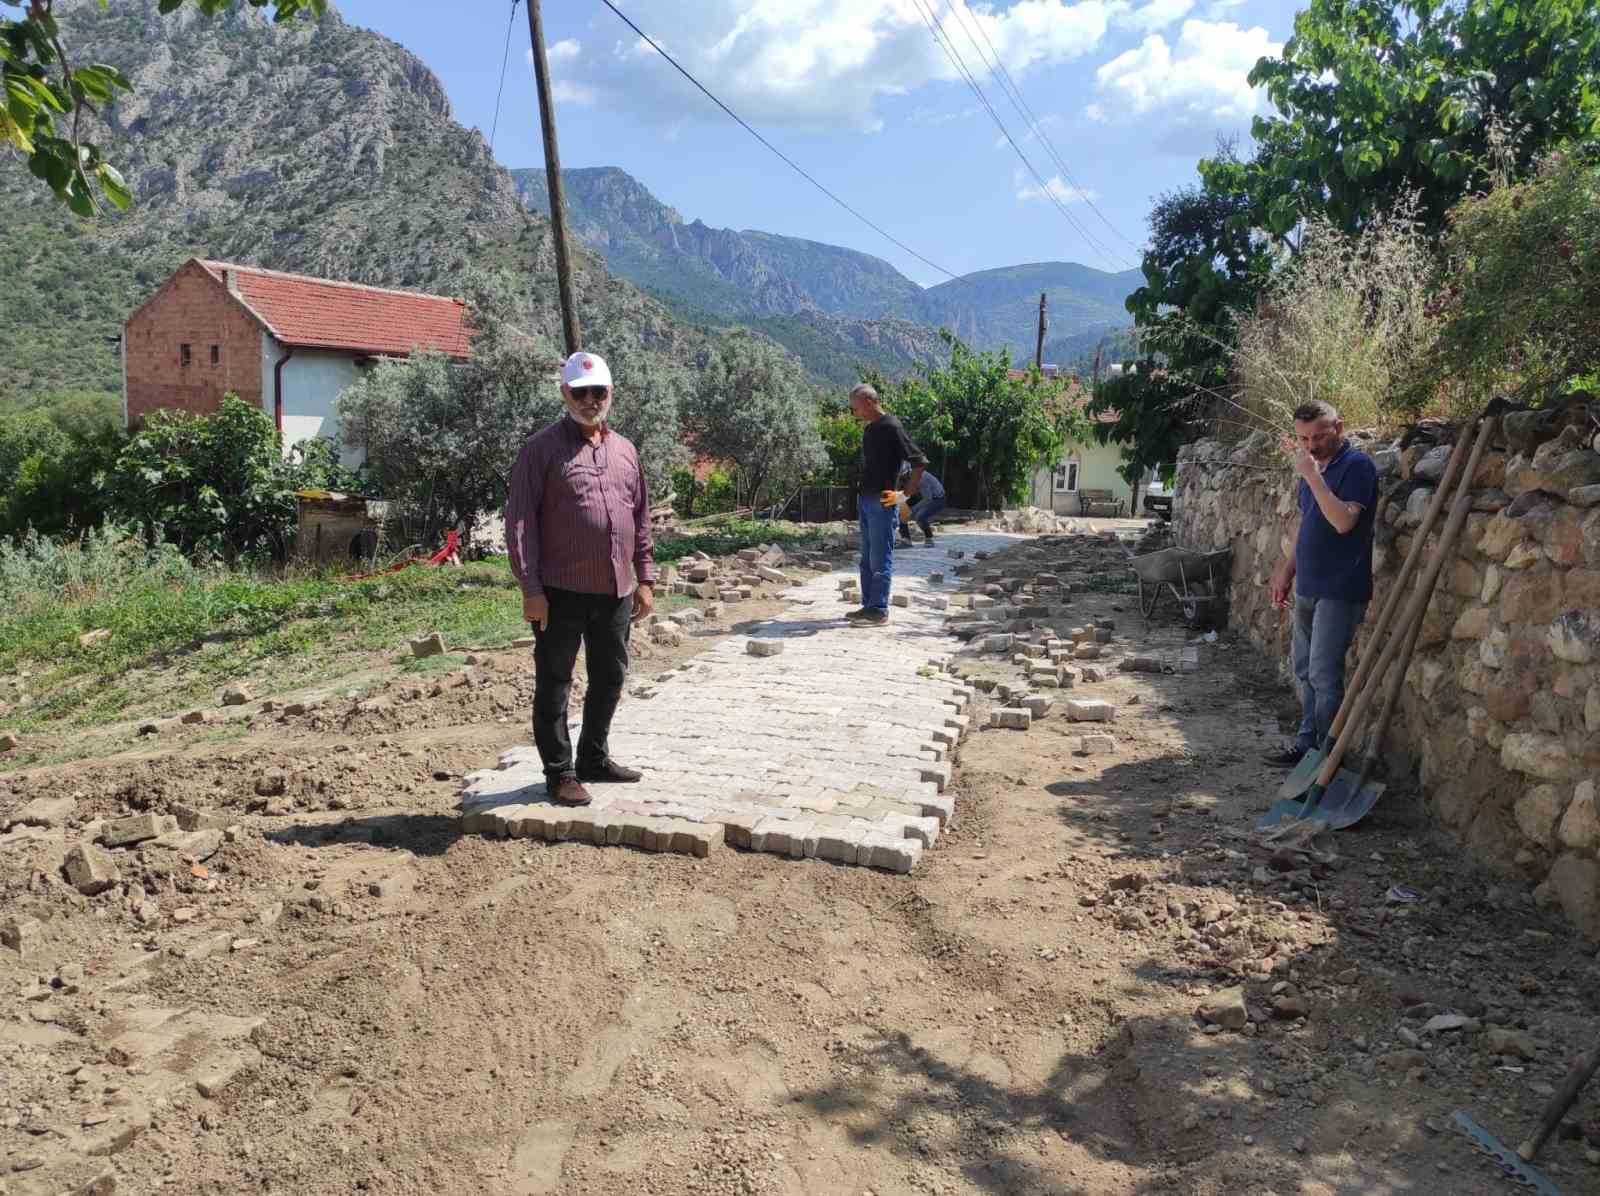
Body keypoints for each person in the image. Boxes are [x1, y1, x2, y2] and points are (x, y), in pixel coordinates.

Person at [505, 351, 658, 806]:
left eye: (599, 392)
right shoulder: (540, 450)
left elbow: (641, 517)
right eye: (580, 392)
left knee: (610, 676)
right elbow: (519, 525)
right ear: (564, 394)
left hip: (615, 590)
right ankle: (559, 773)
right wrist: (531, 589)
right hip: (559, 592)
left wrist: (645, 576)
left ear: (610, 394)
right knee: (555, 681)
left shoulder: (626, 451)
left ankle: (594, 757)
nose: (590, 400)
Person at [1266, 400, 1379, 767]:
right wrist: (1287, 570)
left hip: (1341, 588)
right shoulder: (1315, 469)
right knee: (1304, 668)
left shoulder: (1356, 467)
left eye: (1318, 436)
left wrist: (1313, 476)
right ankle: (1307, 743)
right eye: (1303, 439)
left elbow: (1344, 522)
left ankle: (1327, 757)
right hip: (1309, 584)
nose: (1311, 446)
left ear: (1339, 428)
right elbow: (1307, 523)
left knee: (1323, 675)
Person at [848, 383, 925, 625]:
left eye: (856, 408)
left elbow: (919, 462)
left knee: (881, 557)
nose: (855, 413)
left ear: (870, 402)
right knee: (867, 557)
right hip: (865, 499)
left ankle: (879, 611)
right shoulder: (870, 429)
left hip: (883, 500)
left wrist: (904, 496)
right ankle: (868, 605)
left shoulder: (892, 426)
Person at [896, 462, 946, 545]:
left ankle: (929, 539)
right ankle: (906, 540)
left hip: (937, 499)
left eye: (903, 476)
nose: (902, 478)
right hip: (921, 496)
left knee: (919, 516)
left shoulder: (921, 478)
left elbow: (927, 498)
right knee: (902, 511)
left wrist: (913, 509)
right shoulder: (905, 478)